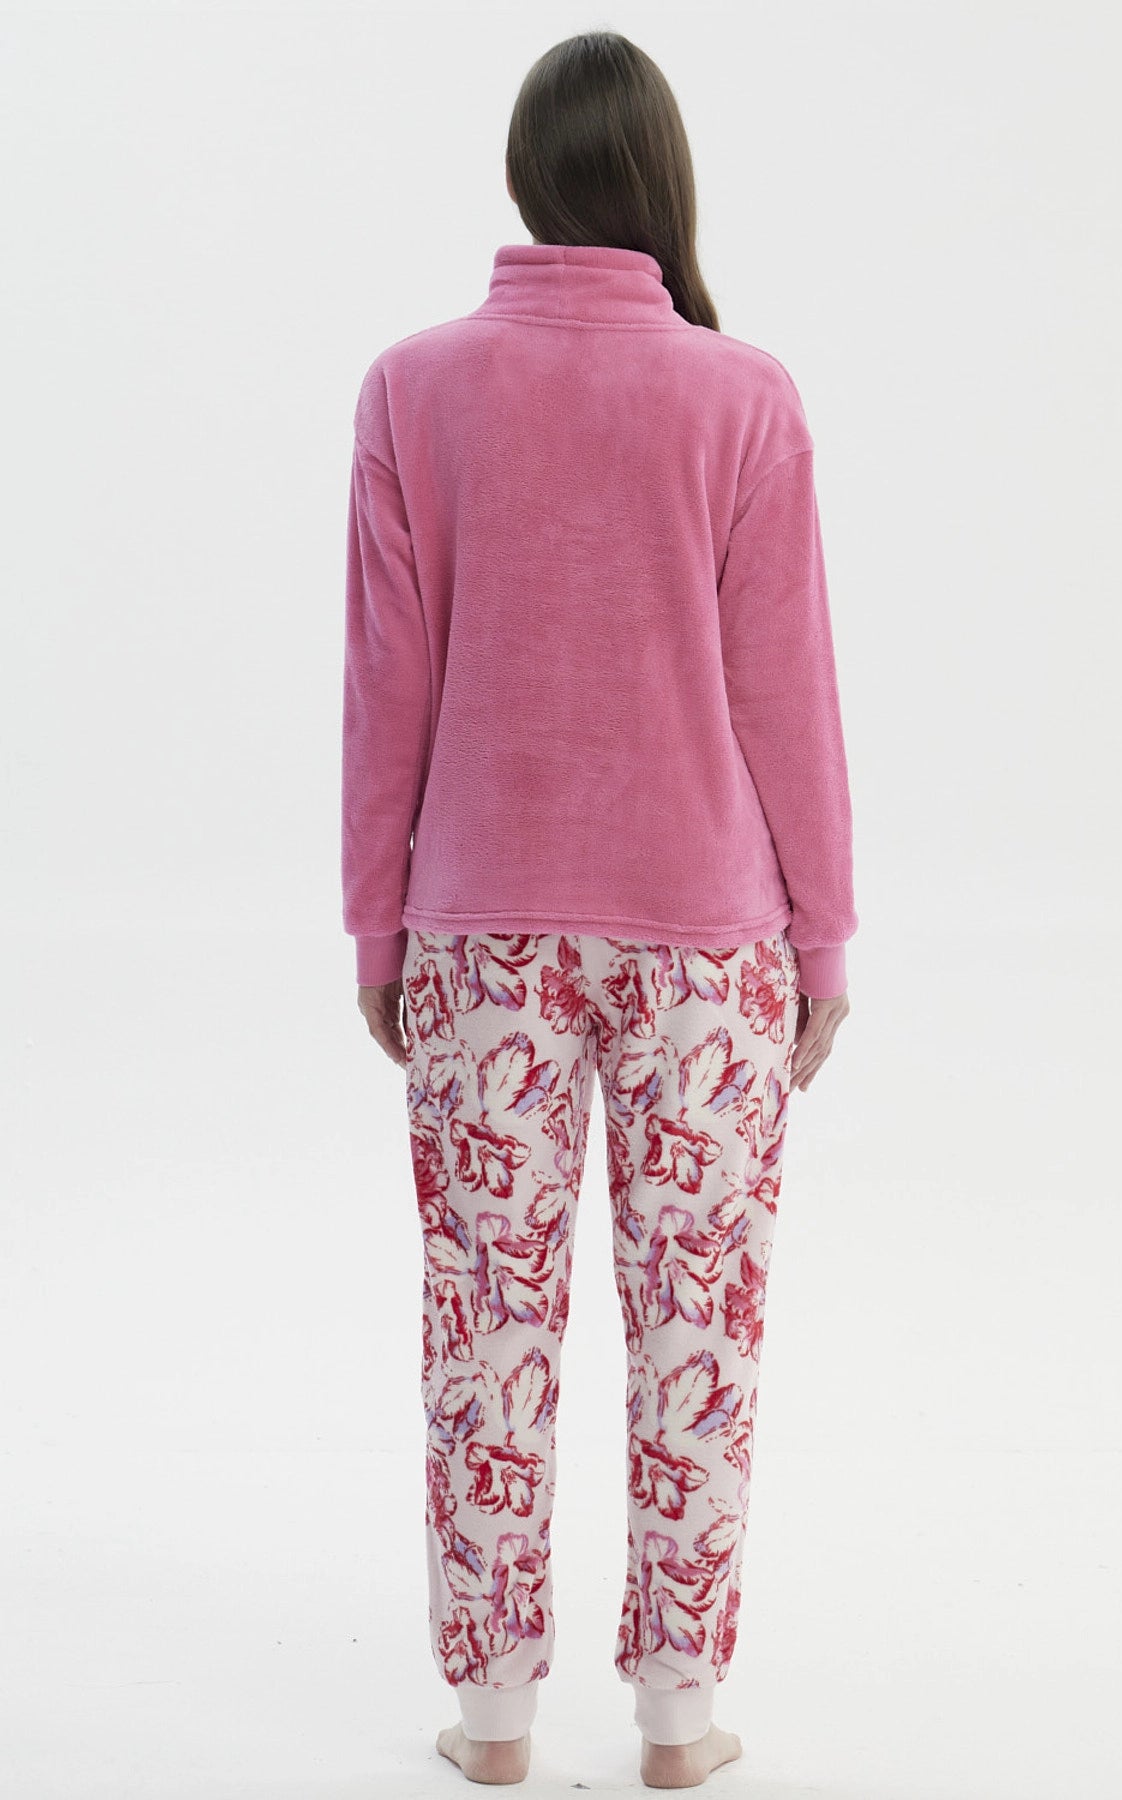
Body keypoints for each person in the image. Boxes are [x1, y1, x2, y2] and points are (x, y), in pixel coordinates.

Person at [341, 28, 857, 1790]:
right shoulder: (743, 396)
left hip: (480, 934)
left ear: (524, 178)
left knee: (484, 1321)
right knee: (698, 1325)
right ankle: (678, 1719)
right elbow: (790, 695)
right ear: (663, 185)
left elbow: (386, 691)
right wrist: (824, 935)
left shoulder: (413, 389)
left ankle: (492, 1721)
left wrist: (381, 925)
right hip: (707, 946)